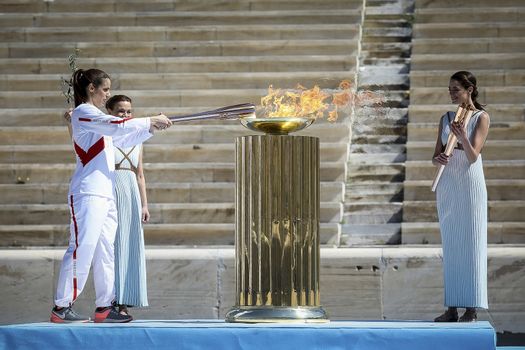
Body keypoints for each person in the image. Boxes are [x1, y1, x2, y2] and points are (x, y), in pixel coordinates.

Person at [51, 68, 172, 323]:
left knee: (106, 250)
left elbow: (125, 134)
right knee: (81, 248)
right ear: (91, 89)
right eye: (105, 89)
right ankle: (62, 307)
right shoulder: (85, 113)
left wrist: (151, 128)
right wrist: (150, 119)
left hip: (105, 193)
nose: (108, 94)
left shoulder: (96, 119)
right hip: (87, 192)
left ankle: (105, 307)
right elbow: (117, 125)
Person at [432, 71, 490, 322]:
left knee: (473, 243)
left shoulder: (481, 117)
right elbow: (435, 155)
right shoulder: (445, 118)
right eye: (450, 89)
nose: (452, 93)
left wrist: (462, 135)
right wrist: (439, 158)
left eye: (456, 89)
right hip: (448, 183)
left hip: (470, 182)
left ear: (470, 89)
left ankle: (472, 308)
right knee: (452, 245)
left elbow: (473, 155)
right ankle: (452, 307)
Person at [105, 95, 149, 317]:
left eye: (129, 111)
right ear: (110, 113)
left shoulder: (137, 138)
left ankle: (125, 300)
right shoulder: (105, 136)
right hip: (112, 191)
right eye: (121, 111)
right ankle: (112, 300)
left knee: (130, 244)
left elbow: (140, 174)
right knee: (114, 245)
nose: (126, 115)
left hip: (131, 192)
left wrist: (144, 205)